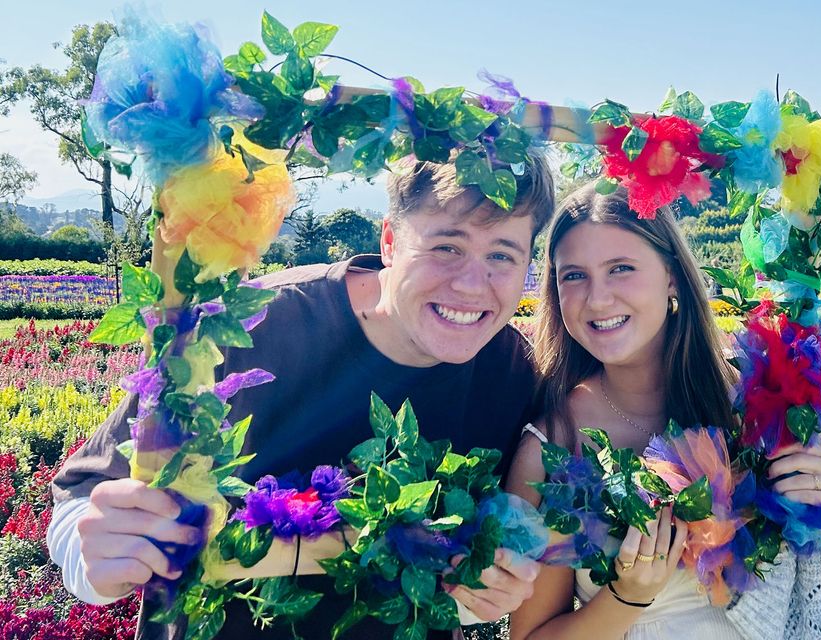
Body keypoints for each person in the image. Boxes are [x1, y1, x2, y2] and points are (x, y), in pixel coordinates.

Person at [47, 153, 555, 639]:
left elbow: (483, 547)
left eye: (501, 256)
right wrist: (97, 552)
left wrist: (481, 591)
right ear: (391, 241)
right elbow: (84, 487)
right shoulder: (252, 327)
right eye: (447, 246)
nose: (472, 284)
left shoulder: (512, 372)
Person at [506, 184, 821, 639]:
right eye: (574, 276)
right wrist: (626, 598)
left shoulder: (753, 401)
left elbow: (815, 558)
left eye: (620, 269)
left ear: (672, 277)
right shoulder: (552, 447)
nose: (597, 298)